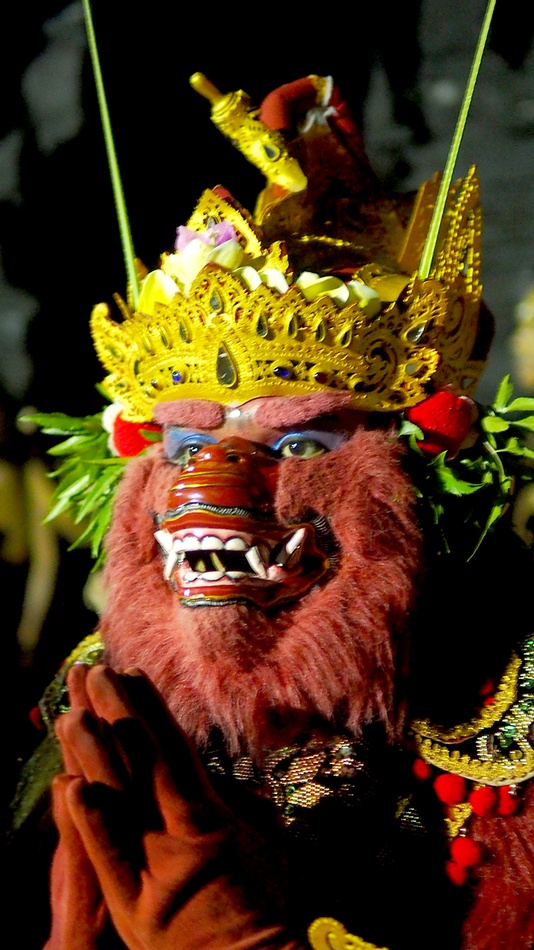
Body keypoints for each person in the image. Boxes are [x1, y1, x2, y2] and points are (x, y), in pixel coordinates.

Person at [7, 71, 534, 950]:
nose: (213, 479)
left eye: (295, 445)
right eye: (187, 445)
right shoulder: (98, 695)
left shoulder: (508, 701)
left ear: (415, 470)